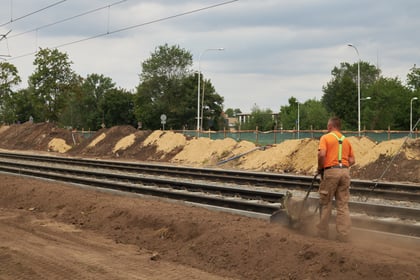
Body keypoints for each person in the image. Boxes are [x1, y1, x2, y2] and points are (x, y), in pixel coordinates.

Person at [317, 117, 355, 242]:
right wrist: (343, 167)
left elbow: (322, 154)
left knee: (326, 202)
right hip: (345, 172)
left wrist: (320, 168)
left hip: (331, 172)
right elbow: (352, 160)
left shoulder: (325, 138)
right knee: (342, 205)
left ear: (330, 126)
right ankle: (343, 235)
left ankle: (323, 233)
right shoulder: (346, 140)